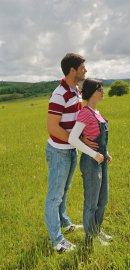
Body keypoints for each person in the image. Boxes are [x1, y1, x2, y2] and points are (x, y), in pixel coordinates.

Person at [45, 53, 97, 253]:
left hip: (70, 150)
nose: (86, 70)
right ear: (72, 70)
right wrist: (76, 140)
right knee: (54, 197)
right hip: (59, 152)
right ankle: (57, 241)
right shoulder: (60, 94)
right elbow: (52, 127)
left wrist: (80, 139)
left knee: (64, 191)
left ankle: (65, 223)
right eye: (83, 67)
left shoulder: (75, 90)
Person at [69, 78, 113, 251]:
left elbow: (99, 139)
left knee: (103, 200)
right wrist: (94, 154)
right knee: (92, 203)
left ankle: (97, 231)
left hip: (100, 160)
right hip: (90, 163)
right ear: (92, 92)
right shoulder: (85, 113)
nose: (103, 91)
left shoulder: (97, 112)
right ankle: (90, 238)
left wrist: (105, 153)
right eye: (100, 89)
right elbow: (72, 138)